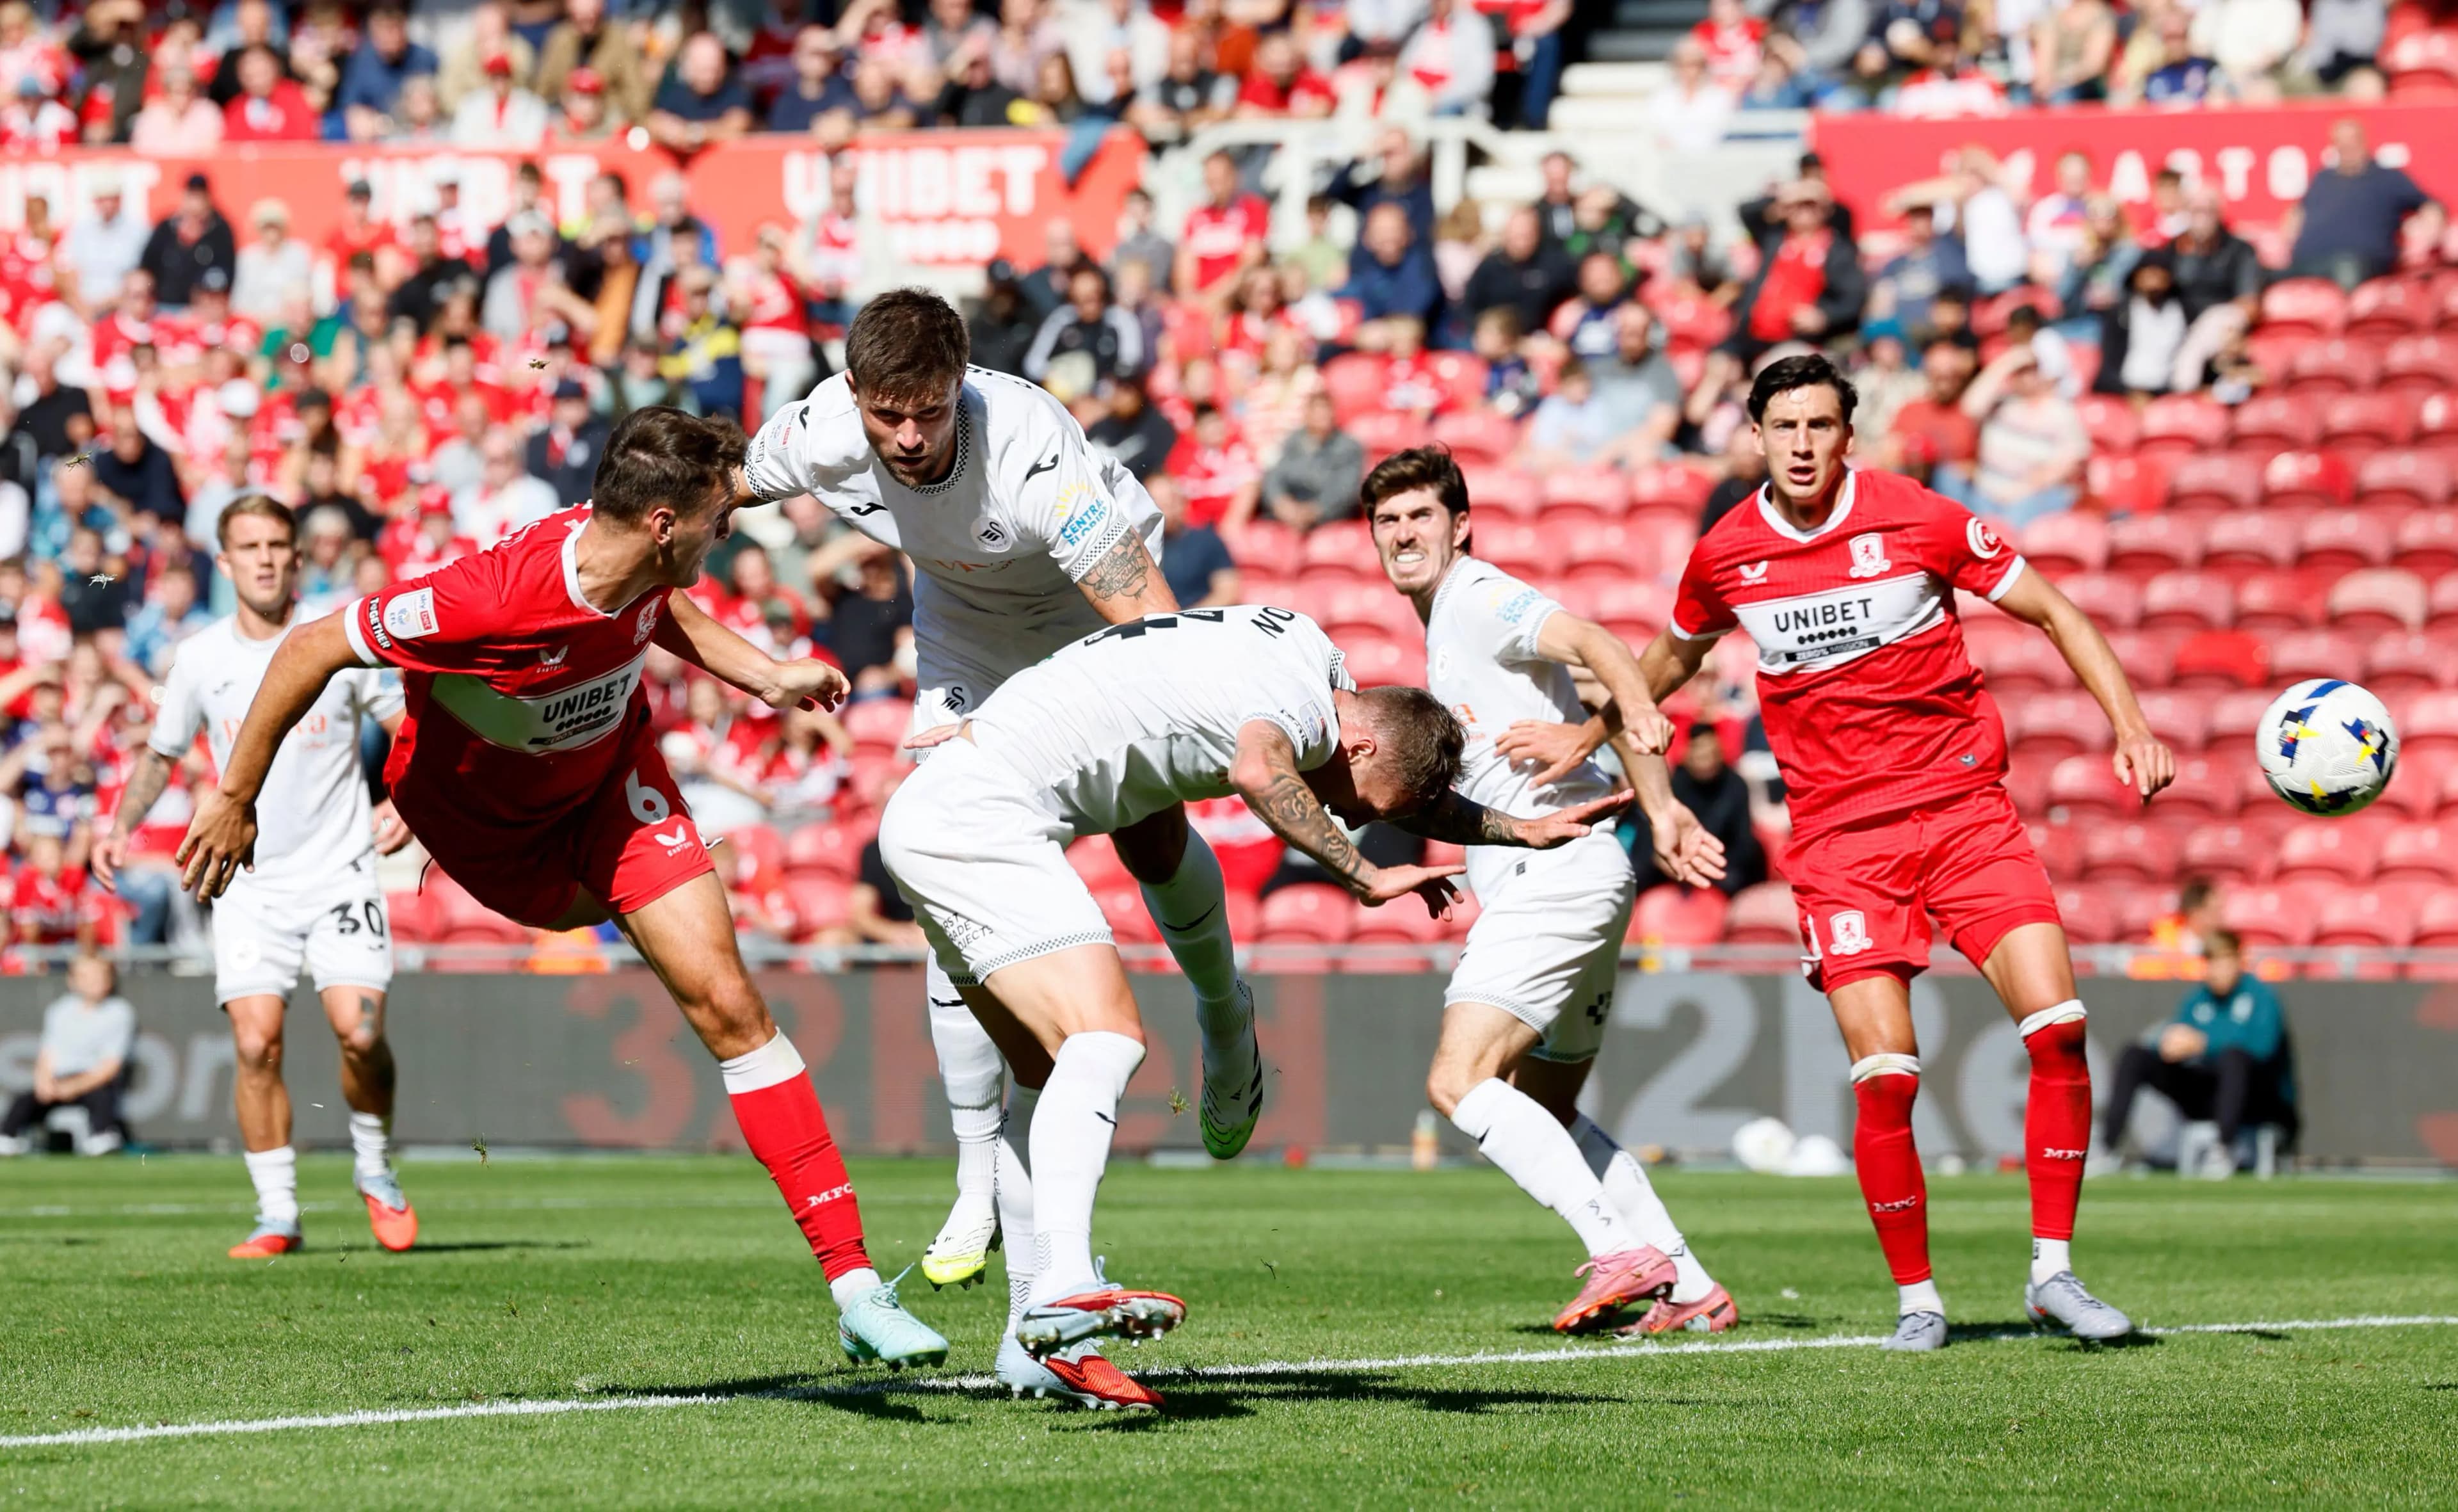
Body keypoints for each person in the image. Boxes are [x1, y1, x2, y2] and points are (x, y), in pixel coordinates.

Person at [172, 409, 950, 1369]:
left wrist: (766, 675)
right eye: (718, 517)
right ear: (663, 521)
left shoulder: (640, 556)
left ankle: (855, 1284)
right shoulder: (486, 599)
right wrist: (234, 795)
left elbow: (655, 607)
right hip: (496, 837)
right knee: (640, 945)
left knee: (730, 1004)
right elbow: (307, 648)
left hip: (615, 792)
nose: (730, 530)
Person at [881, 603, 1619, 1404]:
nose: (1364, 820)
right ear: (1360, 744)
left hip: (942, 807)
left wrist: (1521, 830)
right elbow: (1260, 772)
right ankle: (1065, 1282)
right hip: (978, 818)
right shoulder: (1297, 711)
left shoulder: (1311, 656)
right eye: (1373, 806)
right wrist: (1364, 876)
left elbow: (1379, 775)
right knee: (1105, 1040)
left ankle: (1031, 1340)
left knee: (1041, 1074)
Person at [1632, 353, 2174, 1351]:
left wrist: (2130, 725)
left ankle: (2053, 1273)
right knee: (1887, 1075)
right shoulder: (1726, 554)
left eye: (1821, 426)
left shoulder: (1916, 517)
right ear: (1755, 435)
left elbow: (2055, 609)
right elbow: (1662, 665)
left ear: (1850, 435)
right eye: (1784, 426)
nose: (1802, 444)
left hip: (1966, 812)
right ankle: (1919, 1298)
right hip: (1842, 842)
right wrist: (1586, 740)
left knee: (2058, 1027)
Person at [736, 290, 1260, 1297]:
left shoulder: (1029, 455)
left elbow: (1149, 624)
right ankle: (977, 1173)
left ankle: (1224, 1013)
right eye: (890, 413)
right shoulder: (816, 433)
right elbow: (708, 484)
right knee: (947, 868)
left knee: (1149, 839)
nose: (912, 434)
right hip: (965, 635)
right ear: (855, 396)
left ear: (961, 387)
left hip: (1085, 622)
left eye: (931, 409)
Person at [1364, 447, 1738, 1337]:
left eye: (1422, 515)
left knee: (1460, 1081)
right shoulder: (1447, 621)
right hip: (1586, 871)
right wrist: (1661, 802)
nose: (1404, 533)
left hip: (1554, 877)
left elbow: (1598, 643)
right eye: (1388, 520)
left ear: (1460, 526)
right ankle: (1689, 1285)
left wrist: (1624, 717)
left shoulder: (1477, 595)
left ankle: (1618, 1250)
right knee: (1548, 1106)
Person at [96, 498, 415, 1253]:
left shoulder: (337, 640)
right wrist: (118, 824)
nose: (267, 557)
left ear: (298, 559)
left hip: (340, 870)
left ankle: (375, 1168)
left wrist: (411, 798)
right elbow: (162, 753)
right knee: (254, 1043)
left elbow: (407, 723)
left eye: (279, 544)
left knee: (361, 1033)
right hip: (248, 881)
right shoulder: (202, 657)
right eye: (251, 546)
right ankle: (279, 1212)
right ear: (226, 561)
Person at [2102, 929, 2296, 1174]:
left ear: (2239, 960)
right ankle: (2107, 1149)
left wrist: (2204, 1043)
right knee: (2135, 1055)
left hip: (2256, 1098)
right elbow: (2182, 1035)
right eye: (2211, 962)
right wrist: (2167, 1043)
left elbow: (2263, 1048)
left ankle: (2224, 1150)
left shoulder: (2261, 996)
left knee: (2234, 1059)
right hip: (2206, 1094)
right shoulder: (2198, 999)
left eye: (2224, 961)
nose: (2217, 970)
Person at [0, 954, 136, 1157]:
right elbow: (48, 1053)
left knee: (102, 1097)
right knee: (25, 1100)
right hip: (59, 1080)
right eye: (87, 977)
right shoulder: (60, 1010)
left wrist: (74, 1087)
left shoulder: (119, 1012)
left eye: (101, 976)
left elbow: (110, 1066)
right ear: (73, 980)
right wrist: (44, 1082)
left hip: (92, 1082)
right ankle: (7, 1137)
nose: (96, 983)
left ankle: (103, 1137)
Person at [2285, 117, 2443, 289]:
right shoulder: (2322, 178)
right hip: (2306, 262)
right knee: (2258, 272)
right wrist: (2291, 236)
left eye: (2351, 141)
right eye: (2340, 143)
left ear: (2362, 141)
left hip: (2356, 264)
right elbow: (2298, 212)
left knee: (2346, 269)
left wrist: (2425, 231)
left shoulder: (2388, 178)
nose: (2346, 148)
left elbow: (2431, 206)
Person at [1632, 723, 1765, 896]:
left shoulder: (1735, 786)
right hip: (1674, 864)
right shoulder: (1673, 786)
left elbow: (1744, 842)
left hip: (1719, 864)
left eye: (1710, 754)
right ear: (1689, 755)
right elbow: (1649, 836)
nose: (1706, 762)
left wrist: (1709, 862)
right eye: (1701, 755)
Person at [1261, 392, 1365, 532]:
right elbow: (1275, 476)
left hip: (1328, 518)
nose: (1322, 417)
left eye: (1325, 411)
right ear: (1307, 415)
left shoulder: (1348, 447)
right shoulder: (1293, 442)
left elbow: (1346, 491)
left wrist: (1314, 511)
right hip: (1290, 511)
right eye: (1317, 412)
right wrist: (1281, 504)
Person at [1153, 472, 1236, 608]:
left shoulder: (1207, 541)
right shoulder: (1141, 547)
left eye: (1168, 504)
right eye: (1157, 504)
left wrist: (1188, 618)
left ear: (1182, 504)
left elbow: (1228, 591)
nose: (1163, 511)